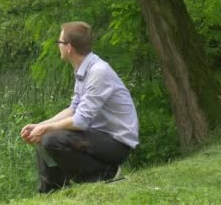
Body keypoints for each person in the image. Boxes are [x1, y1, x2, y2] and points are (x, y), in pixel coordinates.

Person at [20, 21, 139, 193]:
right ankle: (52, 190)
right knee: (45, 135)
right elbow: (74, 108)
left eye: (59, 42)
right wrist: (40, 126)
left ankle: (107, 174)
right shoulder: (84, 69)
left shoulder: (98, 72)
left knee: (51, 138)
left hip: (116, 143)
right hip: (99, 137)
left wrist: (46, 128)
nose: (58, 46)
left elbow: (80, 121)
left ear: (68, 47)